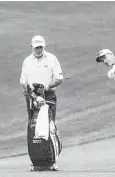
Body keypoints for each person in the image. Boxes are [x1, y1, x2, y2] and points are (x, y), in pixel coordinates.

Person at [20, 35, 63, 171]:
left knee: (49, 127)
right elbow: (23, 81)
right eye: (36, 47)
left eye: (41, 47)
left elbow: (59, 78)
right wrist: (31, 91)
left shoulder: (51, 58)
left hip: (48, 95)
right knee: (33, 128)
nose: (39, 50)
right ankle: (37, 160)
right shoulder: (27, 61)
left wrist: (46, 86)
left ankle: (53, 161)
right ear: (31, 47)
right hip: (32, 97)